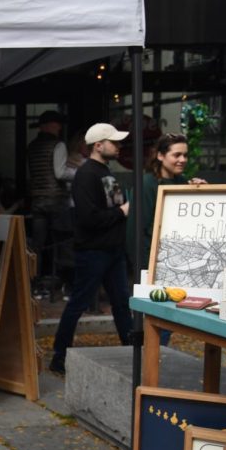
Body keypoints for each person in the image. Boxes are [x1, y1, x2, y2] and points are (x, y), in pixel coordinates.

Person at [48, 123, 134, 375]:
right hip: (93, 251)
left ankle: (131, 352)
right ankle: (60, 355)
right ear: (99, 145)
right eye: (114, 142)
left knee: (120, 302)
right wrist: (121, 211)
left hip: (113, 250)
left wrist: (120, 212)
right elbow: (88, 218)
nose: (119, 146)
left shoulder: (106, 172)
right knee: (79, 302)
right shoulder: (86, 175)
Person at [127, 133, 207, 275]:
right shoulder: (146, 184)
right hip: (153, 263)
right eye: (176, 155)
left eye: (185, 155)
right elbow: (136, 232)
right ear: (160, 156)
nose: (182, 160)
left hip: (179, 261)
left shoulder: (182, 181)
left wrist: (202, 192)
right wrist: (145, 268)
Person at [26, 110, 74, 289]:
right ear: (50, 125)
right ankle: (65, 283)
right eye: (57, 123)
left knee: (38, 244)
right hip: (56, 200)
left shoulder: (32, 146)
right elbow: (60, 173)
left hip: (37, 200)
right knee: (63, 243)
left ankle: (35, 283)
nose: (60, 127)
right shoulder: (58, 145)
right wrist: (79, 173)